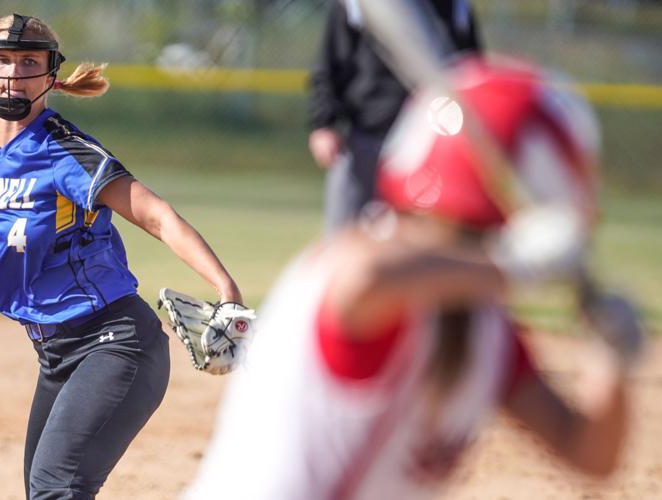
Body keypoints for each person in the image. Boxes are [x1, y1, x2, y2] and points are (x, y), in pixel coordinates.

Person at [185, 58, 644, 499]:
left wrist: (610, 360)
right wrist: (511, 266)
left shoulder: (483, 324)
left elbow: (590, 454)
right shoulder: (365, 259)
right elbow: (365, 278)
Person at [0, 13, 245, 499]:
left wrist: (227, 291)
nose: (13, 74)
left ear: (50, 74)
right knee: (44, 490)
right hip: (54, 354)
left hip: (114, 344)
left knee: (56, 487)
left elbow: (157, 216)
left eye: (29, 62)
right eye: (1, 61)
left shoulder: (66, 152)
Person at [307, 0, 482, 235]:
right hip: (366, 135)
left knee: (425, 240)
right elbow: (329, 65)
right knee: (343, 235)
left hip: (427, 146)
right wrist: (323, 124)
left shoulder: (455, 6)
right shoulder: (356, 4)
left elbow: (472, 70)